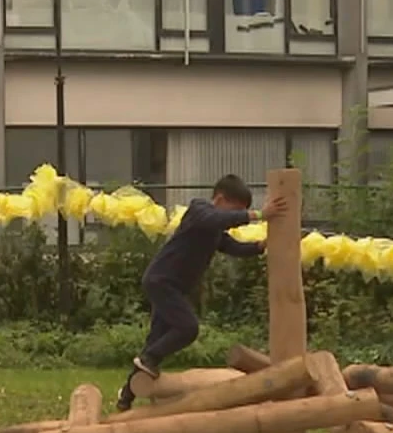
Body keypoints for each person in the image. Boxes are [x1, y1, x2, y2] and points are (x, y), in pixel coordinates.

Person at [117, 175, 288, 410]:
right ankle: (149, 360)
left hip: (173, 287)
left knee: (156, 340)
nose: (233, 218)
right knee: (188, 328)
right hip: (162, 280)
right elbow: (219, 218)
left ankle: (126, 396)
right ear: (219, 199)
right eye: (235, 210)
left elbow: (233, 247)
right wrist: (259, 215)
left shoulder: (213, 230)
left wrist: (260, 246)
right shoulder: (199, 211)